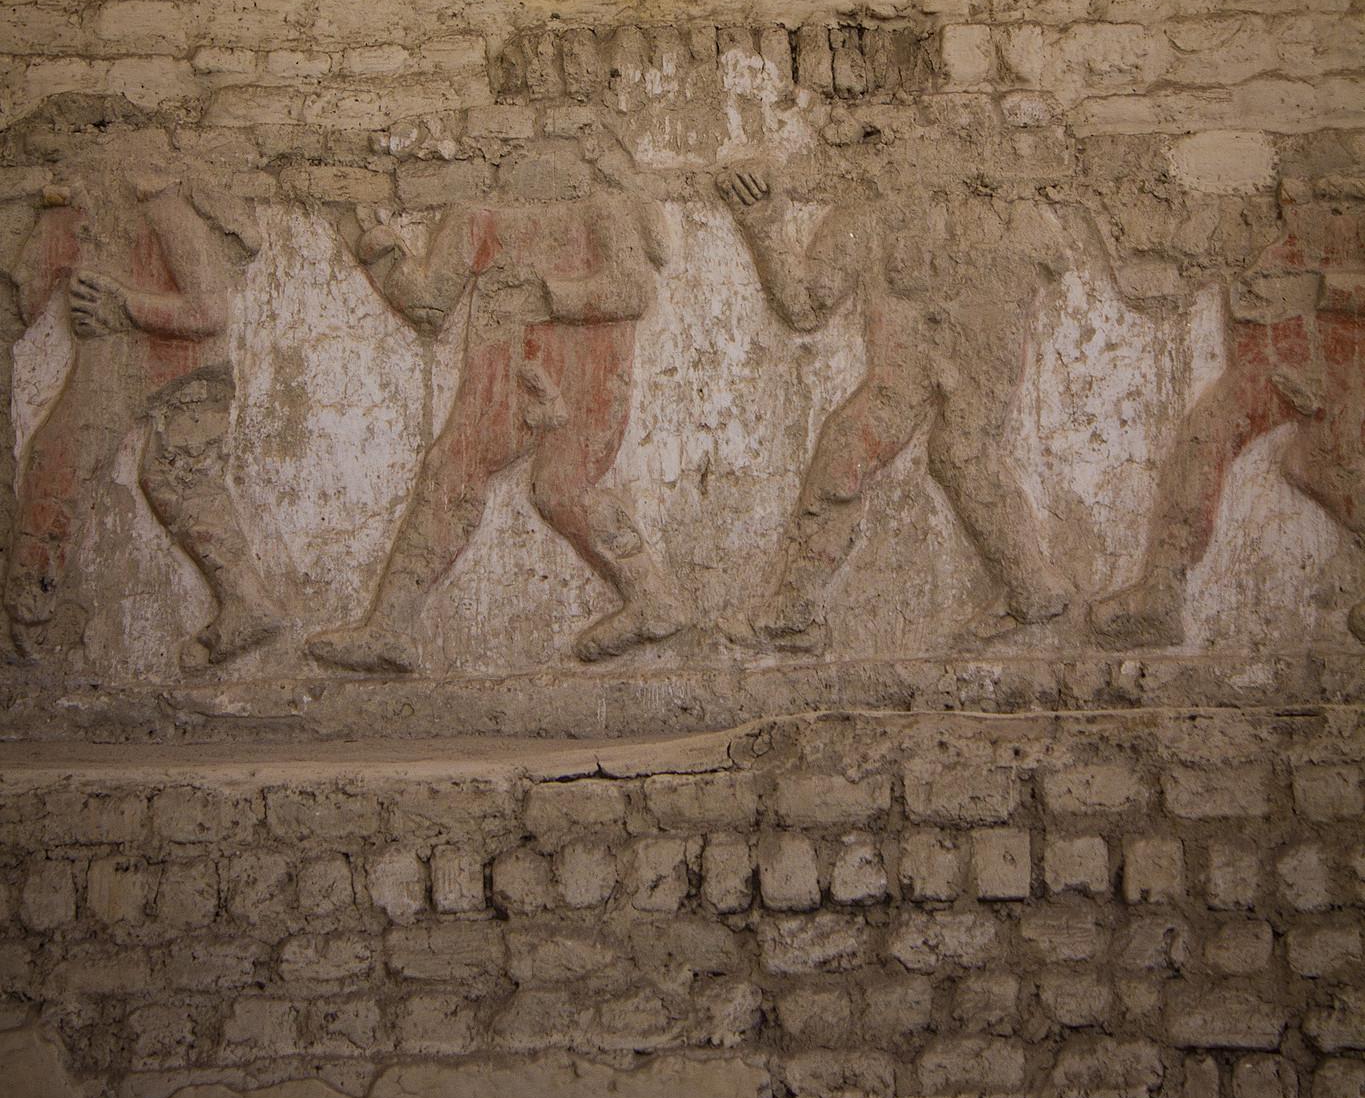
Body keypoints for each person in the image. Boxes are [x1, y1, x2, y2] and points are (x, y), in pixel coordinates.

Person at [307, 132, 689, 672]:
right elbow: (426, 305)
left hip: (585, 368)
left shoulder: (600, 211)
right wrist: (378, 248)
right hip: (500, 372)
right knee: (450, 471)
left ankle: (654, 598)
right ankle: (388, 630)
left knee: (561, 489)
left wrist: (546, 295)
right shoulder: (472, 219)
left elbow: (631, 290)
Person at [715, 154, 1074, 648]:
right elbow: (803, 306)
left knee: (961, 455)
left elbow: (1036, 274)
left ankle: (1032, 590)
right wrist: (763, 225)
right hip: (900, 379)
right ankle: (797, 610)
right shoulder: (869, 210)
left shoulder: (1007, 211)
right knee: (848, 447)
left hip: (972, 360)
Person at [1, 95, 280, 667]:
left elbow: (210, 311)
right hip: (121, 363)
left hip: (177, 364)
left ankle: (34, 613)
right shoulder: (73, 207)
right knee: (68, 459)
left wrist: (125, 304)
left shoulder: (157, 200)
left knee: (166, 478)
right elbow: (21, 298)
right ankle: (33, 611)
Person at [1091, 176, 1365, 647]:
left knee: (1318, 466)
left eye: (1340, 202)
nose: (1323, 210)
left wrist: (1318, 293)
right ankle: (1161, 589)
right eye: (1323, 200)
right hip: (1274, 358)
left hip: (1340, 359)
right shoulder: (1253, 226)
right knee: (1207, 432)